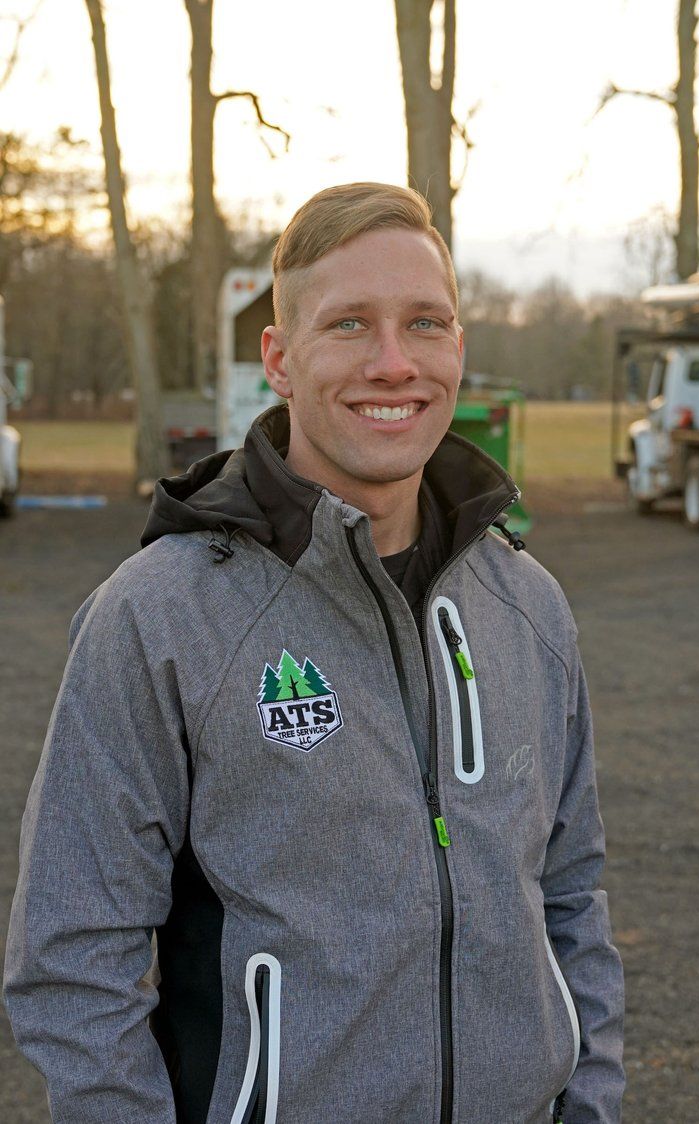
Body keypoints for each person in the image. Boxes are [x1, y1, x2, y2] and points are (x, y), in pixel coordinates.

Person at [4, 182, 625, 1124]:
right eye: (348, 325)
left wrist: (591, 1105)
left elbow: (572, 899)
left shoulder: (525, 603)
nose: (392, 362)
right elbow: (70, 959)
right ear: (280, 357)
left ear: (458, 346)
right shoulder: (161, 614)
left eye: (425, 322)